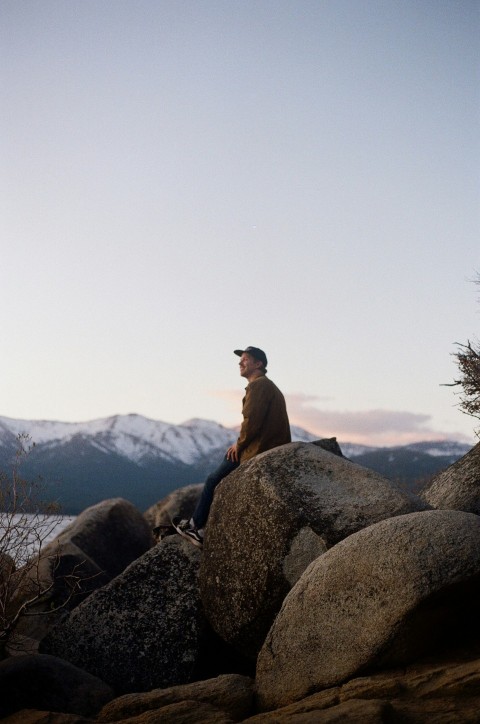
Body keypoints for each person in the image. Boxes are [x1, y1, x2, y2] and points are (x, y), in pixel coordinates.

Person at [173, 346, 291, 547]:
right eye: (240, 360)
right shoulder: (267, 386)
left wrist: (239, 444)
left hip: (259, 450)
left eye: (245, 359)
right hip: (267, 446)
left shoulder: (259, 386)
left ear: (258, 364)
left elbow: (251, 421)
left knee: (212, 480)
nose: (240, 363)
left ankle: (195, 527)